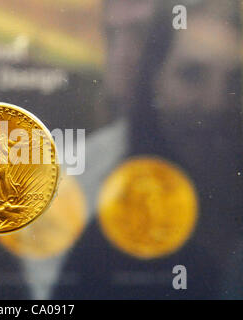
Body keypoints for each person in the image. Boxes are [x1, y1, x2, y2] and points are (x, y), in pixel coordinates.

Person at [53, 0, 242, 299]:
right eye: (192, 75)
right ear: (154, 80)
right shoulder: (106, 238)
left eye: (237, 80)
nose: (216, 103)